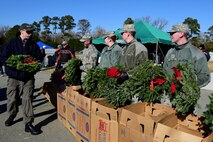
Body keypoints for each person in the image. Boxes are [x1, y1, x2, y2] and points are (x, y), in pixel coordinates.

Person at [0, 23, 43, 135]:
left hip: (28, 78)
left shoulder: (33, 45)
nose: (30, 33)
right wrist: (14, 66)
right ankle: (12, 114)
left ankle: (28, 123)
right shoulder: (11, 43)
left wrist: (33, 67)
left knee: (27, 98)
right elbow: (4, 57)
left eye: (31, 32)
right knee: (12, 99)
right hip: (14, 77)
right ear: (21, 31)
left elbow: (38, 59)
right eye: (28, 31)